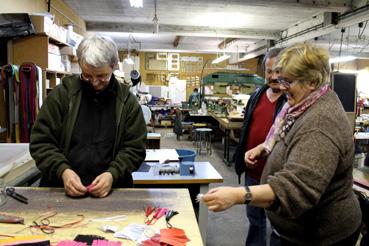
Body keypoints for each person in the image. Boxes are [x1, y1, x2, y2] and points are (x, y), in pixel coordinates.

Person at [203, 43, 362, 245]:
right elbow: (287, 134)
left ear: (312, 81)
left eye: (288, 81)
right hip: (295, 231)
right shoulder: (304, 103)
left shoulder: (320, 124)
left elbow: (295, 190)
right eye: (280, 79)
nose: (282, 86)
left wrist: (237, 195)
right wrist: (265, 147)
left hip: (320, 235)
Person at [30, 34, 147, 198]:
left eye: (101, 76)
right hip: (60, 191)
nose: (94, 82)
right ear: (80, 65)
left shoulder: (127, 102)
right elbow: (41, 142)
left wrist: (112, 174)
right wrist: (63, 171)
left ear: (114, 67)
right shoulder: (62, 96)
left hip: (113, 192)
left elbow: (135, 148)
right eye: (87, 75)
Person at [234, 48, 286, 246]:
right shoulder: (257, 95)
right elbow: (247, 126)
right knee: (255, 219)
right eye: (268, 71)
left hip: (276, 174)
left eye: (277, 71)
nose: (272, 76)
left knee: (278, 224)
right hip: (253, 170)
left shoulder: (291, 101)